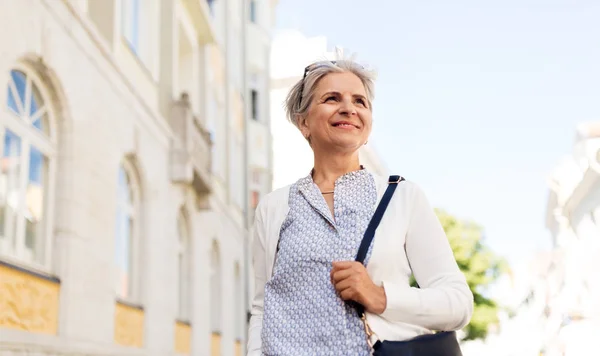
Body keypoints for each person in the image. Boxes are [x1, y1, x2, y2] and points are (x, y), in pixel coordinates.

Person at [247, 59, 473, 355]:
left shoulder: (402, 197)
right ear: (303, 122)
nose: (349, 108)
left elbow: (458, 303)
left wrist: (380, 297)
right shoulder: (273, 208)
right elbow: (262, 309)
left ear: (367, 127)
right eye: (332, 98)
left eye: (359, 102)